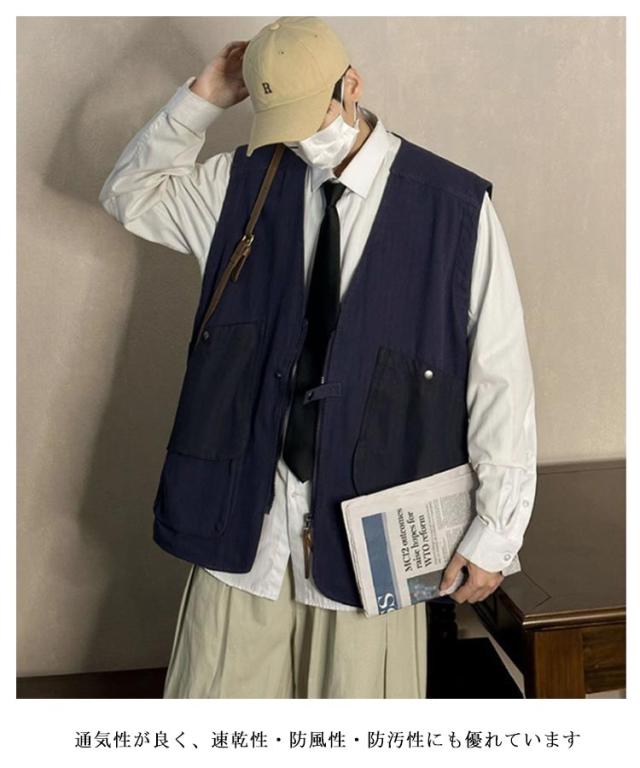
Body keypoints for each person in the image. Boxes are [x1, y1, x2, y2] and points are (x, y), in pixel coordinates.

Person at [99, 16, 537, 699]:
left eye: (312, 116)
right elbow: (130, 194)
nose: (302, 139)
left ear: (352, 85)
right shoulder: (242, 184)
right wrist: (202, 99)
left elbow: (500, 378)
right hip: (245, 527)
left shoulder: (454, 210)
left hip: (373, 539)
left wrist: (497, 531)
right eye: (283, 123)